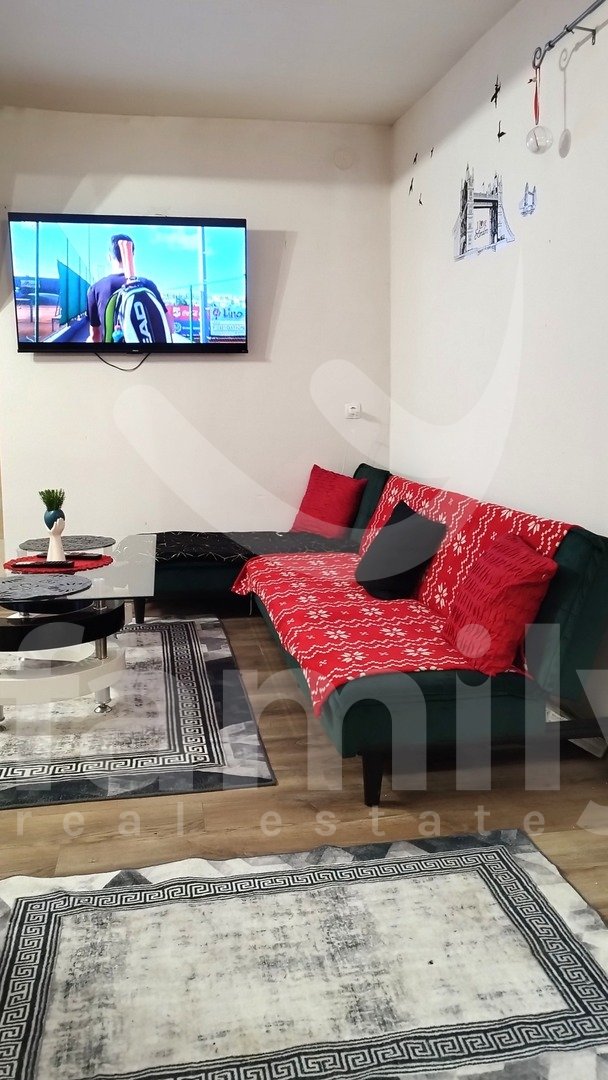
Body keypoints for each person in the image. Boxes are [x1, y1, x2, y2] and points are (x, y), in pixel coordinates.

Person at [86, 234, 174, 343]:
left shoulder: (95, 289)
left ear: (109, 257)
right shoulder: (147, 284)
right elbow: (170, 328)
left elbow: (95, 336)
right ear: (132, 256)